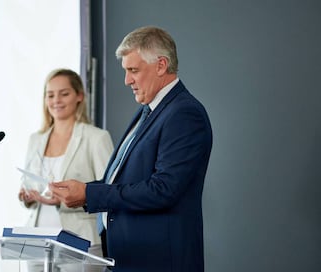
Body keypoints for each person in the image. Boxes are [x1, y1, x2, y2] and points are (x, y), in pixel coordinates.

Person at [49, 26, 213, 272]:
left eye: (133, 70)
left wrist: (89, 194)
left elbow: (163, 189)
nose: (127, 80)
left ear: (160, 65)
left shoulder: (184, 114)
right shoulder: (151, 109)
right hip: (129, 258)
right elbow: (127, 180)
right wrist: (83, 191)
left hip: (159, 262)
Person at [18, 68, 114, 271]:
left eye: (64, 93)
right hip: (37, 241)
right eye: (50, 95)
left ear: (79, 96)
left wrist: (63, 199)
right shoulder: (35, 140)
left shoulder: (96, 138)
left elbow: (109, 193)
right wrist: (26, 195)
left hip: (80, 241)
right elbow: (28, 183)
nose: (56, 100)